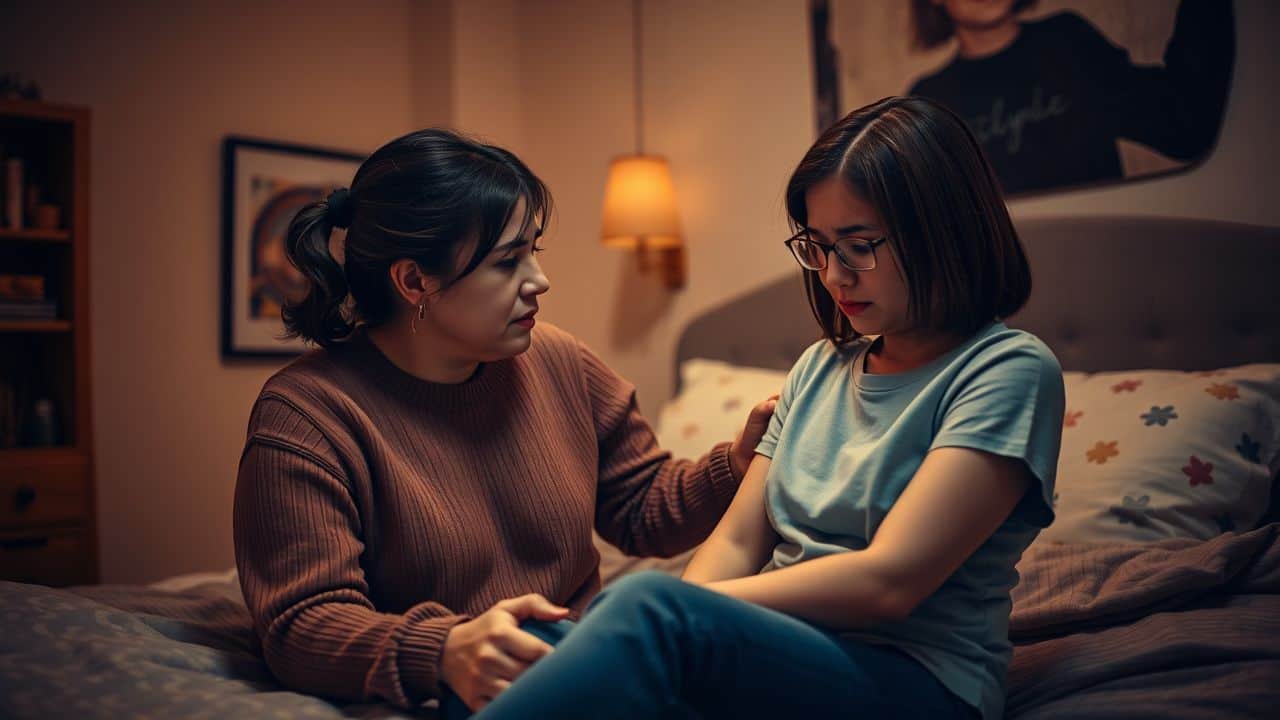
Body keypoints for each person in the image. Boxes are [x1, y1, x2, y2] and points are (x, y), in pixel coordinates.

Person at [466, 96, 1066, 720]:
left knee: (644, 607)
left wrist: (672, 618)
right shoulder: (817, 369)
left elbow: (889, 584)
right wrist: (668, 632)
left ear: (942, 231)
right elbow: (736, 543)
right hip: (774, 662)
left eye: (858, 245)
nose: (835, 275)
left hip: (916, 680)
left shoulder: (1007, 370)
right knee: (522, 655)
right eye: (818, 246)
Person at [231, 128, 775, 711]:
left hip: (579, 657)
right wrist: (443, 651)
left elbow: (642, 510)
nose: (539, 280)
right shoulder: (308, 415)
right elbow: (302, 624)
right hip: (461, 689)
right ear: (415, 281)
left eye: (533, 250)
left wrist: (736, 464)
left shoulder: (560, 360)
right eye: (509, 261)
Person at [907, 0, 1233, 195]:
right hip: (997, 291)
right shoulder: (929, 103)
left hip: (1099, 267)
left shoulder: (1068, 43)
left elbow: (1185, 124)